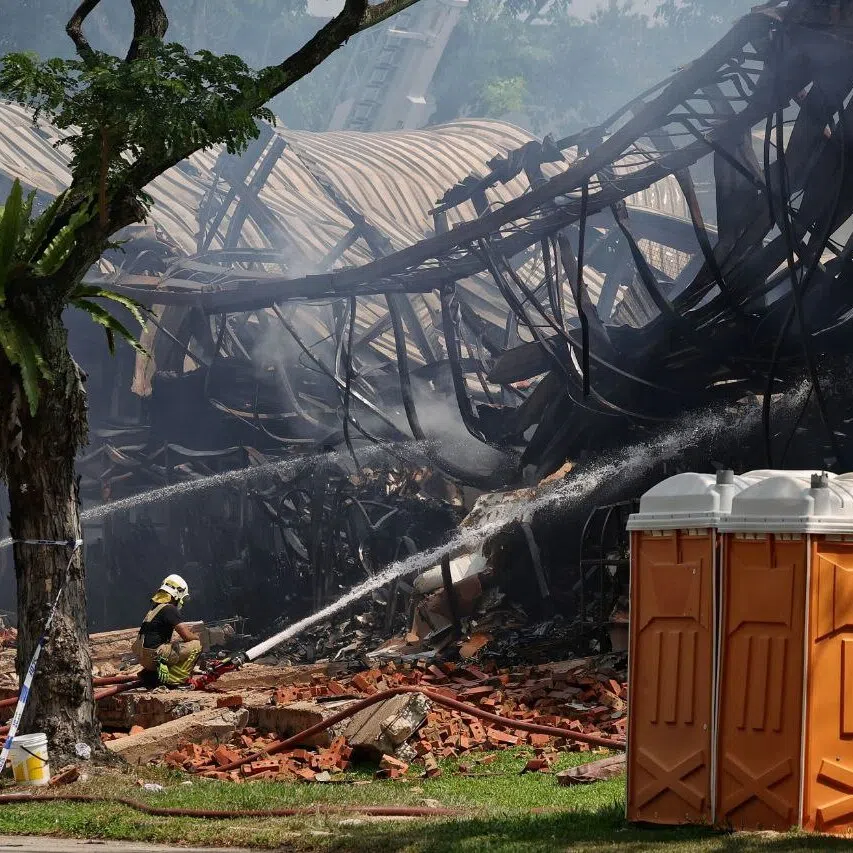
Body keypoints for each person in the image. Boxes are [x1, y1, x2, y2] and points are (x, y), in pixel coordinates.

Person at [132, 574, 201, 687]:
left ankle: (150, 676)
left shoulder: (155, 608)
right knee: (196, 646)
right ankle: (173, 680)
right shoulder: (169, 609)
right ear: (178, 593)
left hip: (143, 657)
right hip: (154, 656)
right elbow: (187, 636)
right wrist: (198, 638)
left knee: (173, 646)